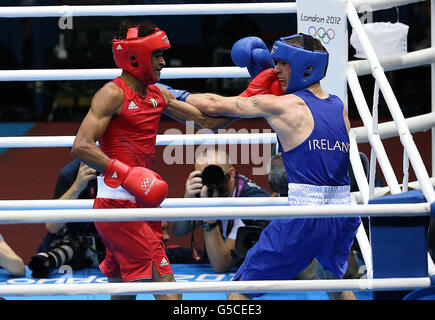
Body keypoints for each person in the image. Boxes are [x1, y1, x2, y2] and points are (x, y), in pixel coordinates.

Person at [173, 33, 362, 299]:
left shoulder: (283, 106)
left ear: (306, 67)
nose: (276, 69)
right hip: (341, 217)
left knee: (238, 294)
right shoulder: (339, 106)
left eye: (283, 63)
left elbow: (213, 106)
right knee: (337, 287)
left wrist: (171, 93)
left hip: (303, 218)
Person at [71, 21, 232, 300]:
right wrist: (123, 172)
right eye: (156, 55)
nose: (163, 62)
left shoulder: (158, 95)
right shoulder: (113, 93)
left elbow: (208, 120)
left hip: (145, 201)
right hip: (118, 205)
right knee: (170, 294)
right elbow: (81, 146)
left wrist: (258, 99)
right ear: (135, 56)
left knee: (124, 292)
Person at [171, 147, 270, 273]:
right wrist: (187, 199)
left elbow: (222, 265)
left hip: (252, 272)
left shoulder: (252, 203)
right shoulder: (205, 190)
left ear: (231, 174)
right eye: (205, 176)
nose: (211, 181)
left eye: (215, 173)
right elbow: (178, 230)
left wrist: (208, 216)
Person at [29, 159, 105, 279]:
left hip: (108, 243)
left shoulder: (118, 169)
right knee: (47, 259)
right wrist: (77, 186)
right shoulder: (70, 172)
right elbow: (52, 226)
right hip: (72, 240)